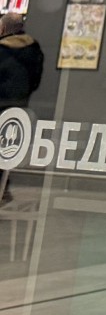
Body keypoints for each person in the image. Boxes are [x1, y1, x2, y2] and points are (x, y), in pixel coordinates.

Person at [0, 12, 44, 203]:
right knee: (7, 149)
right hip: (20, 104)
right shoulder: (34, 50)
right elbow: (36, 80)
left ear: (3, 28)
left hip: (1, 103)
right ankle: (4, 186)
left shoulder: (2, 51)